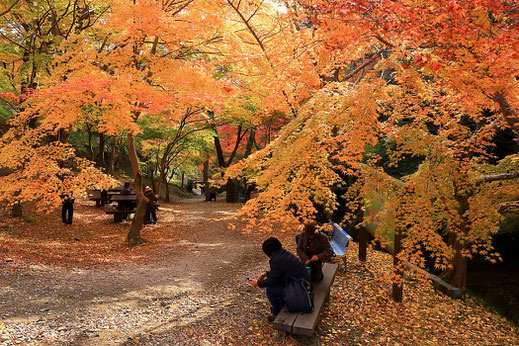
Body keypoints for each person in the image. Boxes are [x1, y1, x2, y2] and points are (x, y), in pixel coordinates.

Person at [250, 237, 310, 322]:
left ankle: (278, 313)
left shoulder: (277, 260)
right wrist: (266, 273)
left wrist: (258, 283)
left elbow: (272, 281)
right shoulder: (283, 254)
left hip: (301, 290)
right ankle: (283, 304)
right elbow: (281, 273)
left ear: (270, 252)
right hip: (303, 284)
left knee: (270, 290)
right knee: (276, 285)